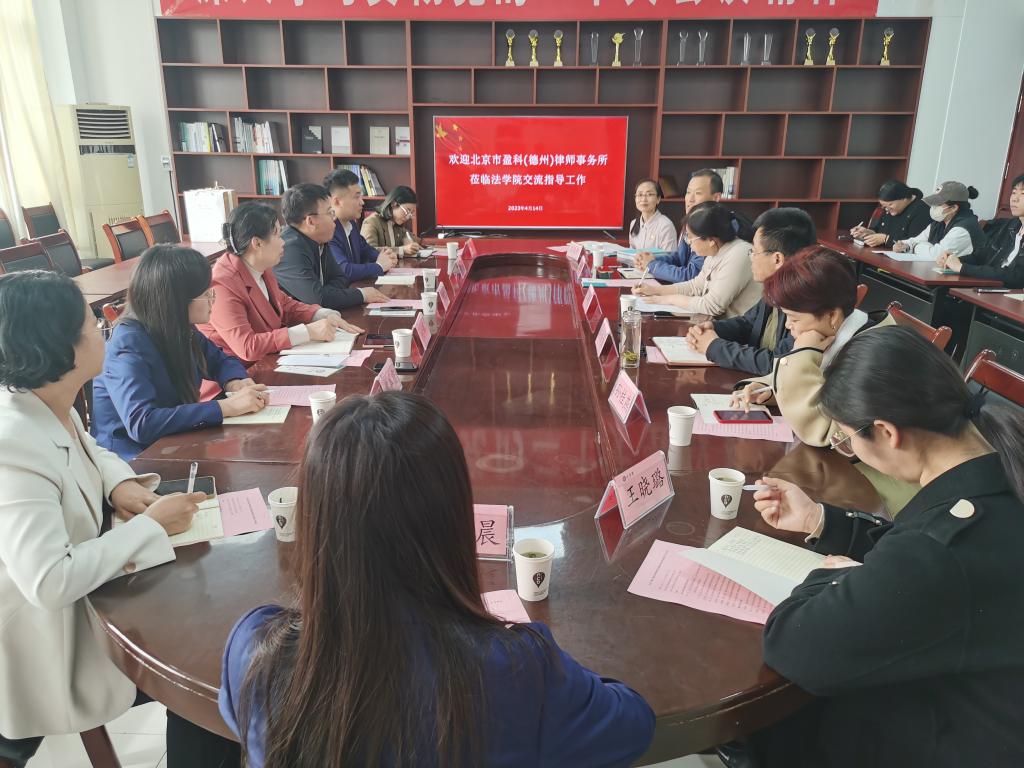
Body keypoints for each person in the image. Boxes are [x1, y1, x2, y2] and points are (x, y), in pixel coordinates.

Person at [219, 392, 655, 768]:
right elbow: (634, 723)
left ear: (316, 519)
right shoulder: (516, 668)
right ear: (451, 518)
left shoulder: (254, 651)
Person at [748, 327, 1024, 767]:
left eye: (847, 439)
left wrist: (829, 576)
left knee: (785, 725)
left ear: (885, 432)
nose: (851, 450)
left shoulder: (942, 547)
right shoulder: (998, 469)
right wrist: (820, 520)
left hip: (957, 737)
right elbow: (914, 547)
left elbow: (793, 646)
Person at [0, 270, 214, 768]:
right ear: (61, 348)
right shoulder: (11, 446)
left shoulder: (46, 401)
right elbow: (49, 581)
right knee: (199, 667)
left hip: (89, 603)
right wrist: (151, 526)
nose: (105, 330)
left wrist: (118, 485)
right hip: (46, 646)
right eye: (93, 324)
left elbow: (92, 450)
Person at [92, 246, 268, 460]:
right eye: (206, 294)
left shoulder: (180, 326)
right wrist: (224, 407)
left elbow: (219, 360)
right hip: (135, 461)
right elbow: (142, 424)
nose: (213, 300)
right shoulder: (127, 344)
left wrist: (235, 382)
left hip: (176, 442)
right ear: (177, 300)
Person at [732, 246, 894, 447]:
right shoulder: (840, 329)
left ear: (832, 315)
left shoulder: (872, 356)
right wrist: (769, 388)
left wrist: (803, 354)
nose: (788, 325)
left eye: (794, 318)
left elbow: (828, 433)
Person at [198, 201, 364, 368]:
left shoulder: (261, 266)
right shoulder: (221, 285)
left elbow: (284, 304)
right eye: (277, 234)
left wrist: (321, 314)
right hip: (237, 374)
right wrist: (307, 332)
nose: (283, 241)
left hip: (267, 361)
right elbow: (247, 346)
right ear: (257, 243)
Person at [686, 207, 817, 375]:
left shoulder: (806, 302)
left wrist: (714, 347)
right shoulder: (774, 286)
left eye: (754, 252)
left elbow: (778, 363)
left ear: (777, 259)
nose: (751, 258)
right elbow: (748, 324)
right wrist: (713, 328)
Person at [632, 202, 759, 319]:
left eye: (690, 237)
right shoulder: (716, 250)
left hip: (738, 331)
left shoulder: (739, 254)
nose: (688, 242)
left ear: (710, 240)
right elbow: (695, 286)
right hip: (716, 323)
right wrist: (655, 290)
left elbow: (712, 306)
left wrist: (667, 299)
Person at [273, 183, 389, 311]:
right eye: (330, 213)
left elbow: (341, 278)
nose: (334, 219)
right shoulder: (289, 249)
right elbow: (319, 299)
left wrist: (325, 292)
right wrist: (362, 295)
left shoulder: (319, 239)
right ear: (311, 221)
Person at [635, 169, 723, 283]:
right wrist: (652, 258)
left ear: (716, 198)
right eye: (688, 192)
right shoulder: (690, 222)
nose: (690, 199)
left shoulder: (713, 228)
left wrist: (652, 265)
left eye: (697, 193)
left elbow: (691, 276)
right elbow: (679, 258)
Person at [940, 172, 1024, 288]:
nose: (1014, 199)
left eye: (1023, 193)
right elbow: (982, 256)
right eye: (1014, 192)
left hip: (1013, 293)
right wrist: (954, 260)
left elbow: (1017, 277)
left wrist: (962, 268)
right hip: (991, 288)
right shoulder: (1011, 226)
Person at [324, 169, 398, 280]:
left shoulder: (351, 224)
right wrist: (379, 266)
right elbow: (344, 270)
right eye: (356, 197)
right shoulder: (327, 230)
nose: (362, 202)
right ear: (337, 201)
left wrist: (386, 256)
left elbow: (365, 250)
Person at [892, 181, 985, 262]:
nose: (933, 207)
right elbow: (917, 240)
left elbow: (936, 255)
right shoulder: (940, 221)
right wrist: (904, 245)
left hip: (963, 276)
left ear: (953, 208)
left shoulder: (964, 228)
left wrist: (915, 247)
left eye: (938, 204)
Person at [849, 179, 931, 248]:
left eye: (890, 204)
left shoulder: (923, 210)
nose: (887, 209)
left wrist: (886, 239)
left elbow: (915, 243)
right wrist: (868, 232)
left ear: (904, 198)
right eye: (884, 206)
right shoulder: (889, 208)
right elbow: (879, 230)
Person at [361, 185, 423, 257]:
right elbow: (368, 252)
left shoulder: (397, 224)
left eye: (411, 213)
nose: (408, 216)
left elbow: (411, 237)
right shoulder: (371, 222)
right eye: (407, 211)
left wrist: (407, 239)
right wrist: (402, 250)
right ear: (393, 204)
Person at [627, 179, 677, 252]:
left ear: (658, 199)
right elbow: (631, 252)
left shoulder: (666, 225)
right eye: (640, 195)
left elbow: (670, 257)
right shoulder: (633, 223)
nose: (643, 199)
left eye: (649, 194)